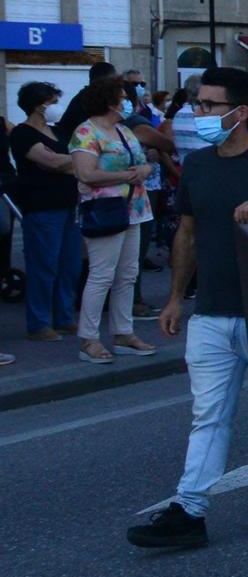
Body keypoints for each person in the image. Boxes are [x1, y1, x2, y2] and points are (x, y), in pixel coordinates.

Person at [126, 68, 248, 549]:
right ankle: (189, 511)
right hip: (211, 311)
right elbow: (187, 232)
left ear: (241, 112)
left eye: (210, 105)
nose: (200, 112)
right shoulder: (198, 165)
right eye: (198, 103)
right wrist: (175, 297)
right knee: (208, 415)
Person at [68, 77, 155, 365]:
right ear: (110, 101)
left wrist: (145, 167)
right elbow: (86, 173)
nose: (127, 101)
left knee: (128, 274)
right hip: (105, 209)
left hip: (133, 209)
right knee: (102, 274)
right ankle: (88, 339)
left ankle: (123, 332)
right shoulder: (85, 132)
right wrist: (129, 174)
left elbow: (143, 160)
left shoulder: (123, 130)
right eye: (122, 96)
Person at [10, 82, 82, 342]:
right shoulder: (22, 133)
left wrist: (69, 162)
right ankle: (39, 323)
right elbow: (49, 161)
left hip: (69, 206)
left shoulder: (59, 132)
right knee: (44, 266)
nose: (56, 106)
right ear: (40, 105)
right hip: (42, 208)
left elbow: (69, 160)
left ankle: (64, 317)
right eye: (53, 101)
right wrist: (75, 162)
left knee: (69, 264)